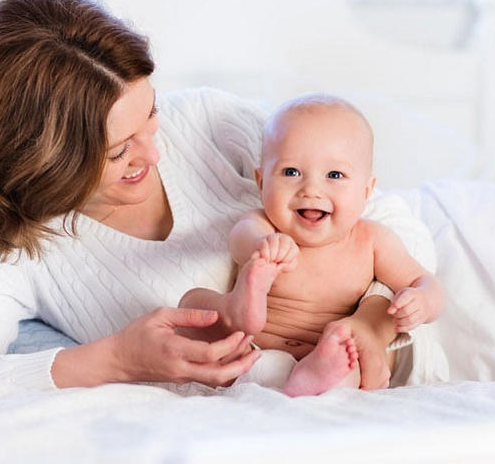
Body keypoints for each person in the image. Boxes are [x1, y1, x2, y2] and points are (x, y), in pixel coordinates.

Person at [0, 0, 438, 392]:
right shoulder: (6, 241)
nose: (155, 154)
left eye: (150, 115)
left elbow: (388, 217)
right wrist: (115, 360)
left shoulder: (207, 123)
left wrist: (370, 318)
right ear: (44, 166)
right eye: (118, 151)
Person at [178, 94, 447, 395]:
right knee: (193, 303)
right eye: (291, 172)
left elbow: (426, 283)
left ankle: (316, 377)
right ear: (262, 182)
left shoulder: (372, 241)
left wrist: (422, 301)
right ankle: (244, 312)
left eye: (334, 175)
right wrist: (263, 246)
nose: (311, 189)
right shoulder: (263, 225)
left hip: (325, 351)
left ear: (366, 190)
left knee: (352, 358)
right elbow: (241, 241)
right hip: (250, 348)